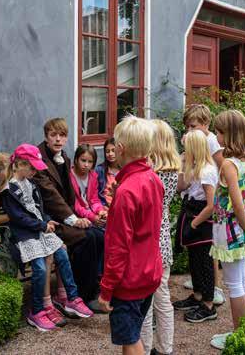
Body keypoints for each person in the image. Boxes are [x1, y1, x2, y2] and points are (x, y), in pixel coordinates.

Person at [0, 144, 93, 332]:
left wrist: (48, 222)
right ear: (18, 165)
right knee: (40, 269)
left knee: (63, 256)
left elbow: (40, 210)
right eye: (32, 167)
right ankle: (37, 311)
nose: (34, 171)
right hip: (25, 236)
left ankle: (72, 298)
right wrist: (43, 225)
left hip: (41, 231)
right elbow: (18, 217)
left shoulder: (31, 185)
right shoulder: (8, 190)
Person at [98, 116, 163, 355]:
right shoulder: (152, 178)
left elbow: (118, 247)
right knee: (131, 335)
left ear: (121, 149)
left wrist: (106, 289)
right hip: (149, 271)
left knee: (131, 336)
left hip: (129, 279)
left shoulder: (126, 191)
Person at [33, 118, 105, 309]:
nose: (58, 139)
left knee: (99, 235)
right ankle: (81, 294)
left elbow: (70, 194)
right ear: (46, 137)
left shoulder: (63, 157)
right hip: (46, 219)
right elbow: (50, 195)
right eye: (53, 135)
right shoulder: (39, 159)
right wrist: (73, 219)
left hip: (64, 214)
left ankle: (94, 288)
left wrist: (84, 216)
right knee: (86, 239)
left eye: (62, 135)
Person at [209, 110, 245, 350]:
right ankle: (242, 333)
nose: (216, 136)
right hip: (241, 231)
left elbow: (238, 203)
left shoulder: (229, 165)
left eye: (218, 132)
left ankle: (238, 335)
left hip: (231, 232)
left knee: (234, 283)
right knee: (240, 281)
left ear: (228, 135)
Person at [141, 119, 180, 355]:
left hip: (150, 238)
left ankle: (144, 348)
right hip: (164, 236)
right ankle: (166, 348)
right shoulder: (172, 169)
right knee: (163, 297)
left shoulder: (151, 171)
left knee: (146, 301)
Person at [182, 104, 226, 305]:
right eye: (188, 127)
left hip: (208, 193)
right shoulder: (194, 140)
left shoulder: (211, 142)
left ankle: (213, 290)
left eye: (193, 126)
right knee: (197, 253)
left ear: (205, 123)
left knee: (208, 251)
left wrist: (219, 187)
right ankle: (200, 290)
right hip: (198, 190)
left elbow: (221, 165)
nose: (190, 131)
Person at [172, 130, 218, 323]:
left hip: (201, 218)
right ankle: (198, 295)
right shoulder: (194, 167)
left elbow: (211, 205)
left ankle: (209, 304)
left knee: (204, 262)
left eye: (186, 147)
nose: (184, 150)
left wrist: (194, 223)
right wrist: (182, 165)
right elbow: (180, 187)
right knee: (194, 259)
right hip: (191, 210)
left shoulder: (207, 171)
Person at [70, 144, 108, 228]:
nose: (86, 165)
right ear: (76, 159)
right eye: (83, 160)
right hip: (77, 217)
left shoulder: (93, 176)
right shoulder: (69, 177)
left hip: (91, 213)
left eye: (90, 162)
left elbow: (94, 200)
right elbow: (76, 205)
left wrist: (100, 211)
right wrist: (93, 217)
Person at [95, 137, 119, 207]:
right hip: (104, 206)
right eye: (107, 151)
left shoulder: (125, 170)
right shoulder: (99, 170)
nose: (110, 154)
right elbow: (95, 193)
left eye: (113, 150)